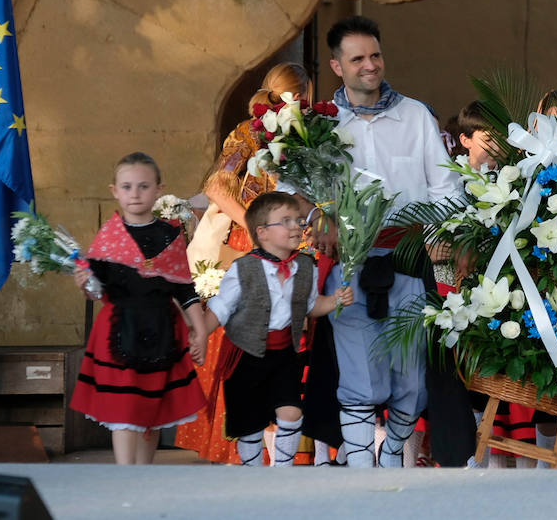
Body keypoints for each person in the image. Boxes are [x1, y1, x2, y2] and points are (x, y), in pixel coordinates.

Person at [312, 15, 459, 468]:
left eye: (375, 55)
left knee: (411, 381)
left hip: (410, 260)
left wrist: (440, 237)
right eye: (357, 58)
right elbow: (307, 195)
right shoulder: (320, 126)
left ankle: (393, 451)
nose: (369, 65)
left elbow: (445, 188)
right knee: (359, 374)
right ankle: (360, 468)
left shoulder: (415, 114)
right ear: (337, 66)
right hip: (350, 265)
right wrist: (322, 219)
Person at [177, 62, 313, 464]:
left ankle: (277, 448)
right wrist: (255, 228)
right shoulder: (254, 130)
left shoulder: (304, 131)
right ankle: (260, 450)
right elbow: (217, 186)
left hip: (294, 240)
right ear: (299, 93)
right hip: (263, 239)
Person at [70, 152, 209, 464]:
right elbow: (96, 290)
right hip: (118, 330)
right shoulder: (108, 237)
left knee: (152, 410)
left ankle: (143, 476)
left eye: (143, 186)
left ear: (159, 190)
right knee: (124, 408)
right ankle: (124, 476)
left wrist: (199, 333)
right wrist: (84, 283)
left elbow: (184, 288)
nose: (135, 193)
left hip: (163, 329)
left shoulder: (171, 235)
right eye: (128, 186)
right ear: (114, 191)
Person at [201, 191, 353, 467]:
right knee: (249, 422)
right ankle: (252, 470)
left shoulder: (305, 266)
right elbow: (220, 309)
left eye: (298, 220)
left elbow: (311, 305)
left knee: (292, 412)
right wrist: (199, 335)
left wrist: (334, 300)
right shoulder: (243, 268)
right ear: (263, 233)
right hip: (246, 355)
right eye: (286, 221)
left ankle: (282, 469)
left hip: (284, 355)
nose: (297, 226)